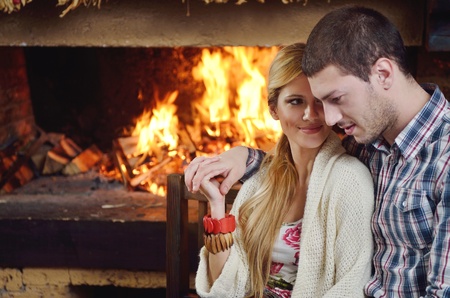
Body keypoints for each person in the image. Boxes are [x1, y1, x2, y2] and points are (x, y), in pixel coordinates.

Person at [185, 5, 450, 298]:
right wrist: (242, 157)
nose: (329, 119)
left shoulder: (442, 159)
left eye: (335, 99)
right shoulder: (368, 142)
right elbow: (304, 168)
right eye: (322, 103)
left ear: (383, 73)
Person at [190, 43, 374, 298]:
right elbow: (224, 284)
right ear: (274, 109)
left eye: (320, 101)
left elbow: (351, 286)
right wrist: (217, 204)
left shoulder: (351, 180)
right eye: (296, 102)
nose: (310, 115)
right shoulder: (262, 180)